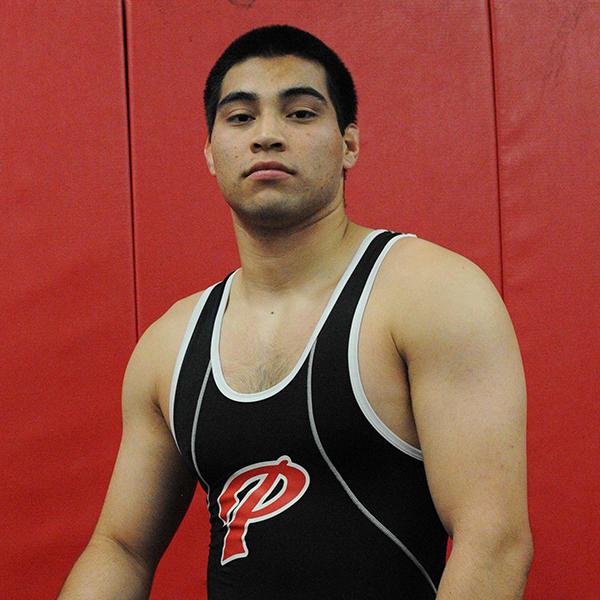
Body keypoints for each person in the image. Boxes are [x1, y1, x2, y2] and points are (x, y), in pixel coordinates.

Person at [59, 24, 533, 599]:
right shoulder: (170, 346)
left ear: (349, 144)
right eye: (240, 117)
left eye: (301, 114)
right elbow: (120, 548)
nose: (267, 136)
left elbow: (494, 540)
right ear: (211, 153)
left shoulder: (429, 294)